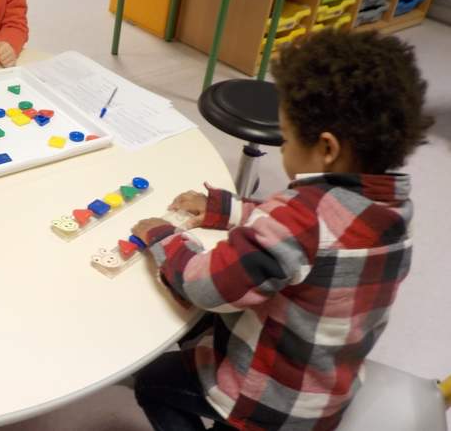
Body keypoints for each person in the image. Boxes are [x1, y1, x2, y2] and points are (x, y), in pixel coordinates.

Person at [130, 29, 434, 430]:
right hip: (326, 391)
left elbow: (206, 287)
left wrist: (163, 238)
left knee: (153, 381)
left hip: (266, 403)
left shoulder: (299, 219)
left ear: (327, 149)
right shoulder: (392, 208)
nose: (282, 150)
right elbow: (305, 231)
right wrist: (228, 209)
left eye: (286, 140)